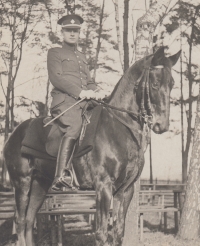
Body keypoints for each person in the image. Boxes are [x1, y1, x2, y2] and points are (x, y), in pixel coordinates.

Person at [47, 14, 104, 191]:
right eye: (68, 30)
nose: (72, 34)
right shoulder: (55, 52)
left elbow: (89, 81)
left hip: (84, 102)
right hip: (64, 102)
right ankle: (61, 176)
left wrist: (98, 91)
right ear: (62, 32)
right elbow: (56, 79)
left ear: (79, 33)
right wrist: (80, 92)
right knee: (74, 126)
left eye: (76, 31)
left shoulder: (82, 56)